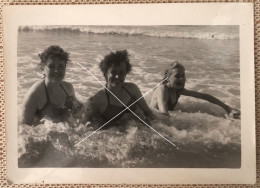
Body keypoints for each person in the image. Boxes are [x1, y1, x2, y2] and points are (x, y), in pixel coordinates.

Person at [83, 50, 154, 126]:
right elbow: (82, 127)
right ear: (105, 73)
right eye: (113, 72)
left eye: (121, 73)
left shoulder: (132, 89)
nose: (117, 77)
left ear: (126, 73)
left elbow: (148, 112)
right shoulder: (96, 100)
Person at [150, 61, 240, 119]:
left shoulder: (178, 90)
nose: (181, 79)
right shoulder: (163, 89)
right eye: (177, 76)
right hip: (153, 119)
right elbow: (163, 113)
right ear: (167, 78)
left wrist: (227, 108)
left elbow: (203, 96)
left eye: (183, 76)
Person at [21, 45, 82, 125]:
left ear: (65, 67)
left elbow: (78, 114)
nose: (56, 71)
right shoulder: (35, 95)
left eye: (61, 67)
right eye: (51, 67)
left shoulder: (68, 88)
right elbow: (24, 129)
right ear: (43, 67)